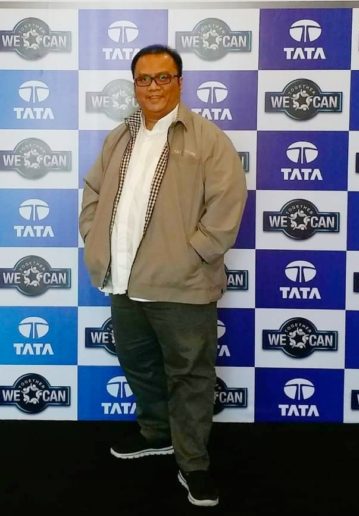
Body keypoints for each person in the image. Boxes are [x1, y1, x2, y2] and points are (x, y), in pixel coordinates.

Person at [79, 44, 247, 507]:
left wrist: (192, 255)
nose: (153, 87)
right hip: (123, 281)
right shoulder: (120, 137)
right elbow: (93, 191)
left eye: (163, 77)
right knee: (139, 364)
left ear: (179, 82)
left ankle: (193, 463)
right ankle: (156, 432)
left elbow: (227, 204)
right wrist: (94, 236)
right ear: (135, 85)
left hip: (182, 286)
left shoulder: (207, 139)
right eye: (144, 79)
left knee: (190, 375)